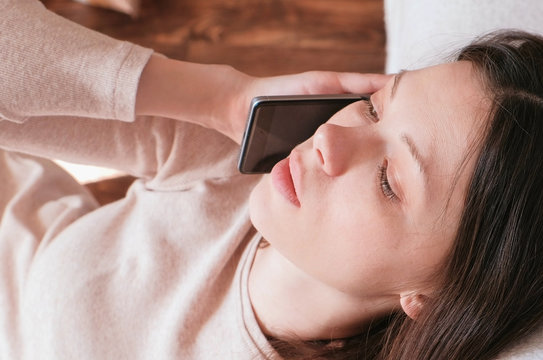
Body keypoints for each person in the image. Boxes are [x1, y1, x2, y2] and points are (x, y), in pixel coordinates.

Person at [2, 3, 543, 360]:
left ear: (430, 296)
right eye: (375, 110)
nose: (331, 140)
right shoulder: (231, 164)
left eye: (388, 181)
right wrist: (220, 98)